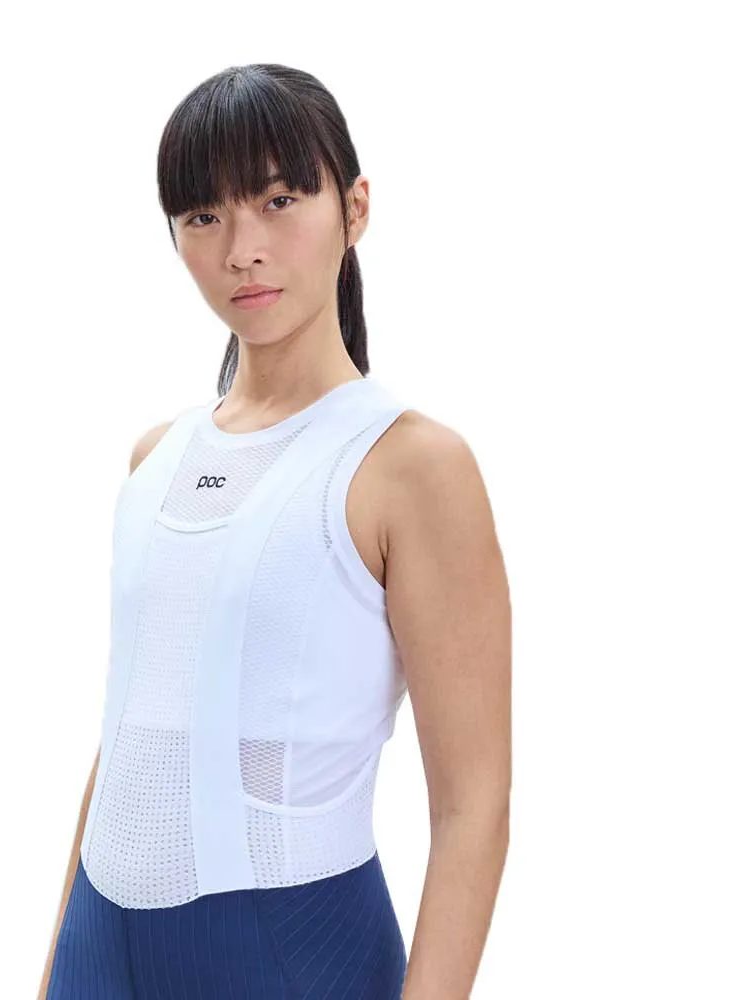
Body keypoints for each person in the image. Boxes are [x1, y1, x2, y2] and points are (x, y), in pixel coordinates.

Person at [37, 63, 511, 1000]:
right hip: (100, 939)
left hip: (290, 951)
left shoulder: (410, 467)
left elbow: (473, 806)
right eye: (204, 215)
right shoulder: (155, 458)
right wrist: (58, 963)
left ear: (355, 208)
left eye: (279, 201)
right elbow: (133, 738)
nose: (242, 249)